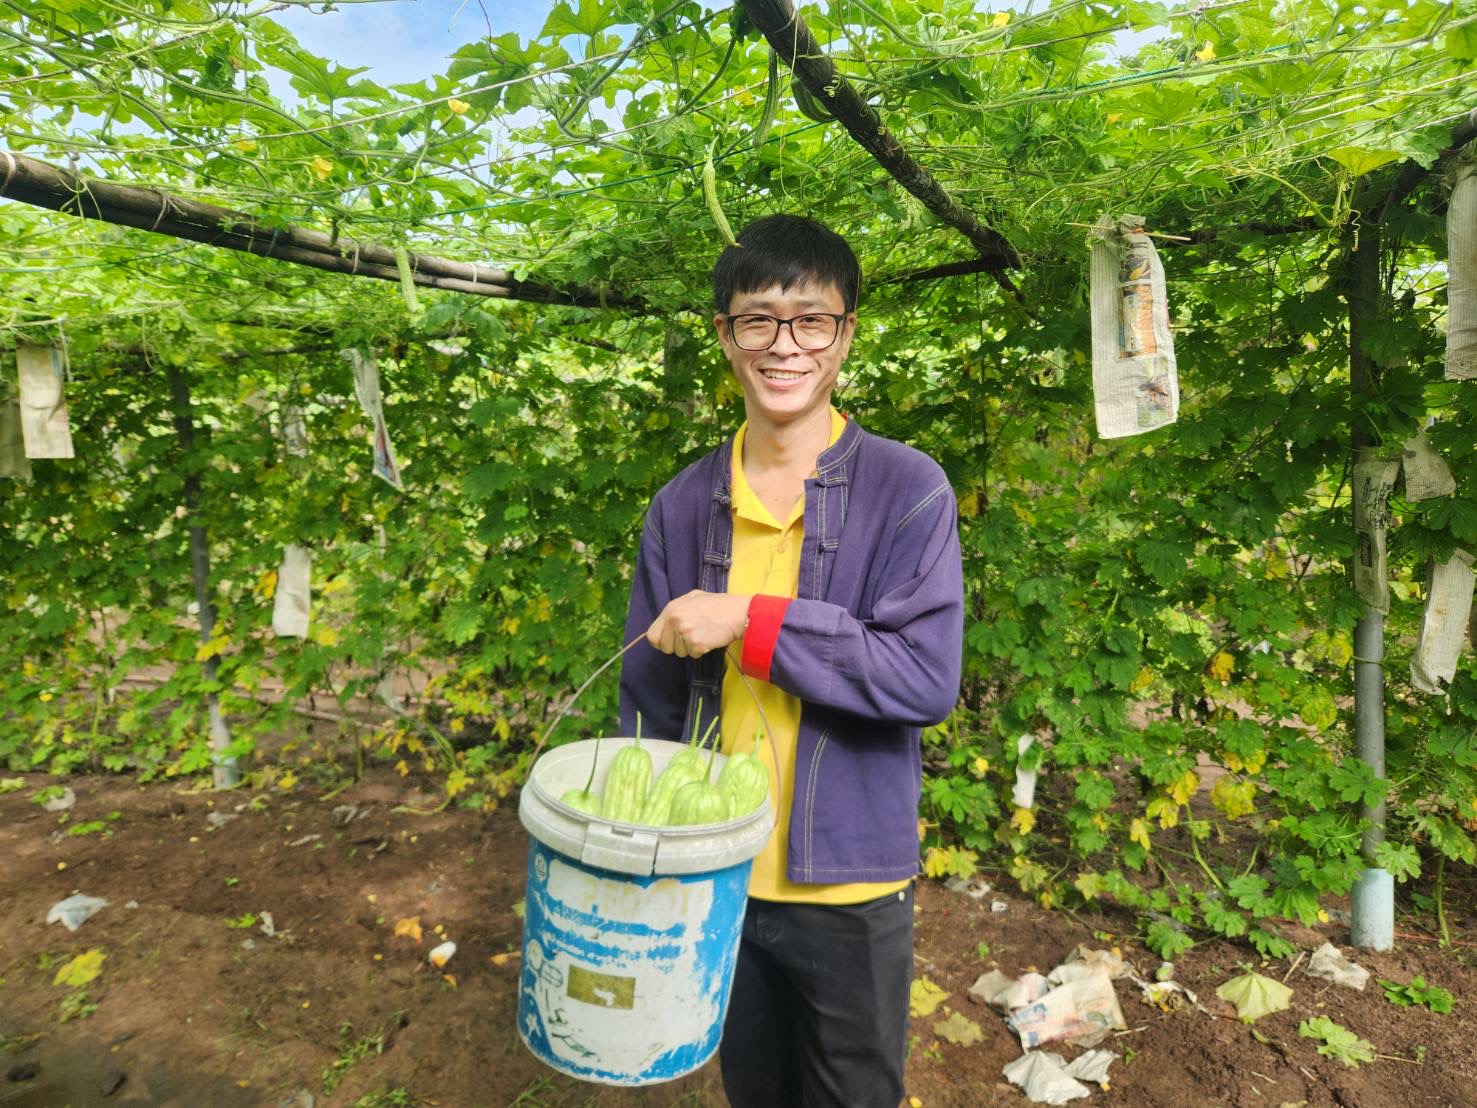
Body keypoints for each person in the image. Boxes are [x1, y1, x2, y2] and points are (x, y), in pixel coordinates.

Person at [618, 214, 964, 1108]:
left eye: (810, 319)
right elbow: (649, 703)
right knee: (753, 1089)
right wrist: (646, 854)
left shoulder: (905, 489)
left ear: (846, 332)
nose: (784, 345)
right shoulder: (683, 503)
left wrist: (749, 620)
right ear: (724, 334)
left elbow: (921, 678)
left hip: (848, 881)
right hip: (713, 871)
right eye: (757, 319)